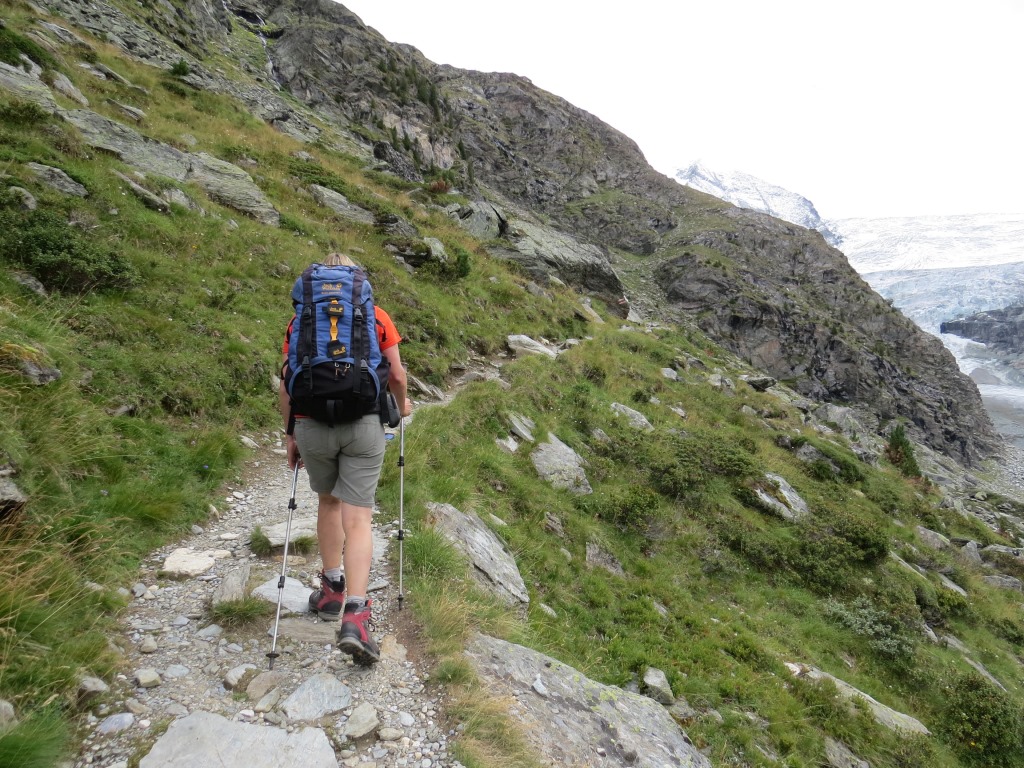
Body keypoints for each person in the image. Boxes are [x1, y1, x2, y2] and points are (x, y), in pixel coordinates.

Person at [278, 252, 412, 665]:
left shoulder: (300, 320)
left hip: (312, 424)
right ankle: (356, 615)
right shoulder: (377, 315)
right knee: (360, 517)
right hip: (363, 423)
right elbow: (397, 375)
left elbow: (286, 382)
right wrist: (403, 407)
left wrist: (291, 434)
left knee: (328, 502)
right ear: (358, 280)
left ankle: (331, 590)